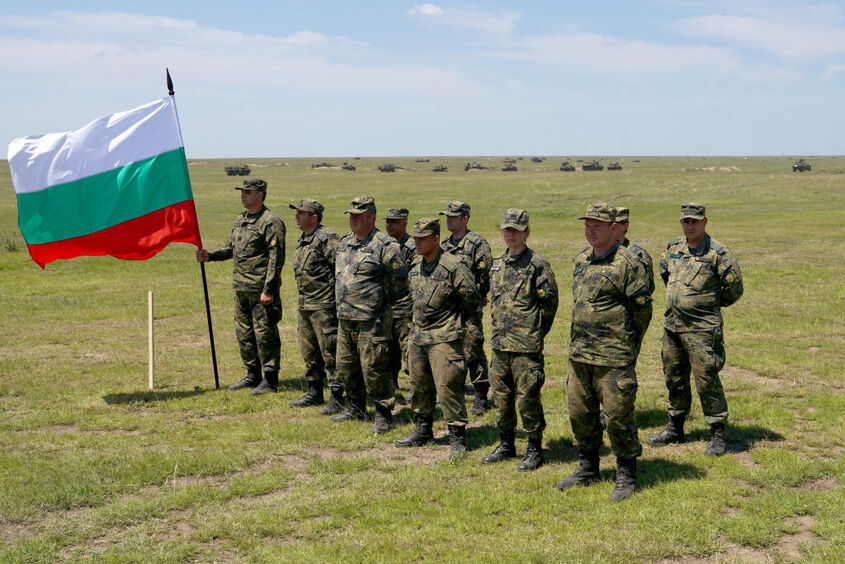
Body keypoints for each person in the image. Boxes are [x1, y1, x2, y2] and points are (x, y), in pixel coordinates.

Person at [556, 202, 652, 501]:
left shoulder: (628, 263)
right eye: (587, 224)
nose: (591, 230)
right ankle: (588, 466)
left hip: (613, 355)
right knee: (580, 413)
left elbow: (641, 312)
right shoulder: (581, 260)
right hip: (580, 353)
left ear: (614, 228)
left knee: (617, 415)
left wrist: (627, 346)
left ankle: (626, 472)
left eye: (597, 225)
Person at [648, 203, 743, 456]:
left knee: (706, 378)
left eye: (694, 221)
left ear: (704, 222)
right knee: (674, 378)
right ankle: (675, 427)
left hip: (702, 329)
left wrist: (706, 304)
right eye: (685, 221)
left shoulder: (718, 253)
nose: (689, 226)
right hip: (672, 326)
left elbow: (734, 290)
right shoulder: (673, 248)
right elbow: (666, 275)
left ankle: (718, 433)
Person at [395, 218, 480, 457]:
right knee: (419, 386)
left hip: (445, 337)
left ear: (435, 239)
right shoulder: (415, 267)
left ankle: (457, 438)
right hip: (419, 336)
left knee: (448, 388)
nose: (418, 243)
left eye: (423, 239)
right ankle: (423, 430)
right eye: (415, 239)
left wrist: (469, 340)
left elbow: (471, 303)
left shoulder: (454, 266)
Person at [482, 209, 558, 471]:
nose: (511, 234)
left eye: (516, 230)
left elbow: (549, 304)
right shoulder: (496, 264)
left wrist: (534, 331)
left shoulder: (537, 264)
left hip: (525, 346)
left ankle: (534, 448)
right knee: (501, 397)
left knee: (528, 398)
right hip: (500, 344)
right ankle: (506, 444)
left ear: (526, 232)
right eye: (507, 229)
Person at [196, 178, 286, 395]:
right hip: (241, 288)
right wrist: (210, 256)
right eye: (242, 191)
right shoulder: (240, 220)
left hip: (260, 290)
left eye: (248, 191)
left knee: (265, 333)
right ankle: (252, 374)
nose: (243, 195)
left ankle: (270, 378)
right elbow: (232, 248)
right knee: (244, 332)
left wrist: (269, 289)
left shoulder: (270, 221)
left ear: (260, 195)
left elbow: (276, 258)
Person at [332, 196, 409, 434]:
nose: (353, 220)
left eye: (358, 215)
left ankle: (383, 414)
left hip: (372, 320)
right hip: (345, 319)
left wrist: (379, 305)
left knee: (374, 369)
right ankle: (356, 407)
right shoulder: (345, 243)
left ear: (371, 217)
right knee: (346, 367)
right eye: (351, 215)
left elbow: (400, 282)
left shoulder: (385, 246)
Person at [288, 199, 343, 413]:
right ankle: (314, 392)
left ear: (314, 217)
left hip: (324, 306)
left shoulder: (327, 238)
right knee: (309, 352)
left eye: (302, 213)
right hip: (306, 305)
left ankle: (338, 396)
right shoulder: (304, 238)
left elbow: (340, 270)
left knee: (330, 352)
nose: (297, 216)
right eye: (297, 212)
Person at [439, 201, 493, 415]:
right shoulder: (443, 244)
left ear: (465, 219)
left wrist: (478, 296)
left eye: (454, 217)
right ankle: (455, 392)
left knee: (472, 350)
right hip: (447, 309)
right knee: (449, 351)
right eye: (447, 216)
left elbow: (485, 274)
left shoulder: (476, 243)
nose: (449, 220)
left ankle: (481, 397)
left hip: (468, 308)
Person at [385, 207, 416, 396]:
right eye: (388, 221)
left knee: (409, 349)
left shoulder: (412, 246)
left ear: (405, 223)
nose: (390, 225)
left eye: (394, 221)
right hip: (387, 305)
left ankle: (416, 386)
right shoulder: (385, 244)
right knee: (388, 349)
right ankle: (391, 383)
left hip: (406, 306)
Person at [613, 207, 655, 295]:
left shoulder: (637, 254)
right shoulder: (598, 252)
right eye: (607, 223)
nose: (611, 227)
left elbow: (645, 290)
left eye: (615, 224)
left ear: (625, 226)